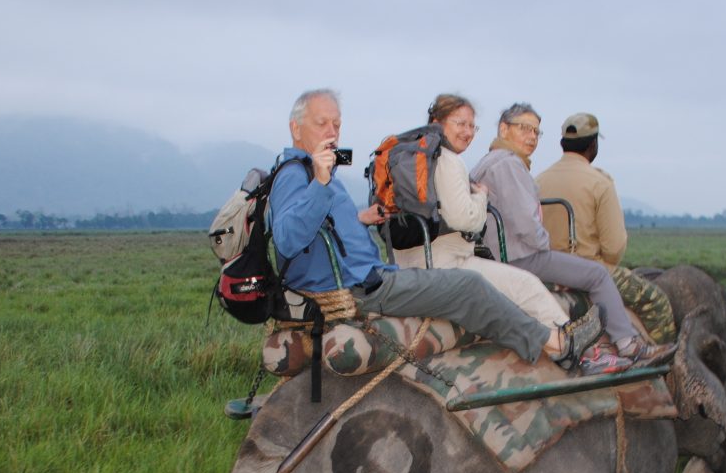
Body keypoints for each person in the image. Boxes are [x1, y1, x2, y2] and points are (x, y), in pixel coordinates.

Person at [268, 89, 596, 372]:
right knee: (469, 286)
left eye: (336, 123)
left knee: (471, 283)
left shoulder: (314, 171)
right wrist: (322, 183)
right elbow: (288, 239)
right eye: (321, 122)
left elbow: (321, 231)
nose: (332, 131)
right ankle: (556, 345)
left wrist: (360, 219)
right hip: (364, 286)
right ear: (295, 127)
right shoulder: (296, 175)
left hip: (373, 274)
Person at [470, 103, 676, 370]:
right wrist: (550, 256)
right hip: (521, 256)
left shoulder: (503, 165)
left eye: (536, 131)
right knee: (599, 275)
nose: (532, 137)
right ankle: (630, 345)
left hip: (500, 254)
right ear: (503, 129)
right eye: (525, 128)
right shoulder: (510, 165)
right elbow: (528, 225)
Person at [392, 93, 576, 352]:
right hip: (447, 264)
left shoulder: (415, 158)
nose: (468, 132)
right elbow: (465, 220)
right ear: (437, 122)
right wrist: (481, 198)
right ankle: (568, 346)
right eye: (460, 123)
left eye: (472, 126)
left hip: (408, 263)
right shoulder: (449, 160)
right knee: (526, 286)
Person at [536, 113, 676, 345]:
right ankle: (664, 368)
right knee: (656, 301)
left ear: (563, 144)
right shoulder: (600, 182)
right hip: (589, 268)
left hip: (547, 268)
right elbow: (613, 248)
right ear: (593, 145)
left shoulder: (539, 179)